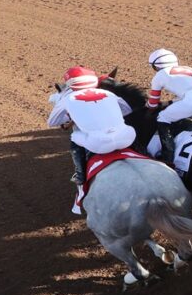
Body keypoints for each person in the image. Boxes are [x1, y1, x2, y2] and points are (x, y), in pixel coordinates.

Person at [47, 67, 136, 205]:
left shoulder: (67, 98)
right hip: (127, 138)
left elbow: (52, 122)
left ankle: (81, 176)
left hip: (98, 144)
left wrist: (75, 117)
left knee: (75, 136)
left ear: (71, 84)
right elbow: (127, 110)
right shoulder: (108, 93)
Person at [146, 49, 192, 164]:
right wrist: (169, 103)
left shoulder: (160, 75)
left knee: (162, 117)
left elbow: (153, 104)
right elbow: (191, 94)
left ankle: (168, 154)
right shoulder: (189, 69)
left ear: (156, 66)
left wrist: (149, 105)